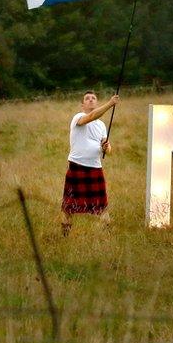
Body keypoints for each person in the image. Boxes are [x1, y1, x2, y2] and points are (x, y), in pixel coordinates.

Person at [60, 90, 120, 236]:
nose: (91, 100)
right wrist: (110, 104)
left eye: (94, 98)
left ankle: (107, 236)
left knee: (102, 206)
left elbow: (107, 148)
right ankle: (65, 235)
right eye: (87, 98)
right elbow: (92, 116)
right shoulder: (78, 117)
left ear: (97, 102)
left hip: (95, 168)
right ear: (82, 104)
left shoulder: (101, 126)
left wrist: (107, 147)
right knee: (69, 206)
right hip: (77, 166)